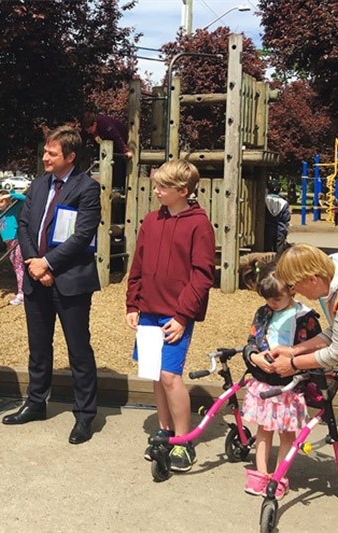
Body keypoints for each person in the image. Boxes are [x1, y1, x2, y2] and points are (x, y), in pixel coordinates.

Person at [2, 125, 101, 445]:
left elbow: (82, 235)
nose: (45, 157)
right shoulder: (38, 184)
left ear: (70, 157)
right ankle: (35, 402)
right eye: (45, 151)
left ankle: (85, 414)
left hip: (70, 280)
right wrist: (34, 263)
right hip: (36, 278)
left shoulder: (87, 188)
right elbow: (24, 225)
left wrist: (50, 264)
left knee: (78, 349)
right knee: (38, 347)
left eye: (52, 153)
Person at [270, 244, 338, 528]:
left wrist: (293, 365)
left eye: (296, 286)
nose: (297, 293)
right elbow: (335, 331)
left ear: (312, 279)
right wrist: (293, 350)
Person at [126, 159, 216, 471]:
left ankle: (184, 439)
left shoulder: (199, 224)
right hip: (147, 310)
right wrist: (132, 304)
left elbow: (202, 275)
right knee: (154, 373)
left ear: (182, 190)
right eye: (156, 184)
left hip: (175, 314)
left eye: (163, 186)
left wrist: (182, 315)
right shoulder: (151, 221)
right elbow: (137, 265)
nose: (156, 191)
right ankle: (165, 431)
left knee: (170, 375)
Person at [240, 262, 321, 498]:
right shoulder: (264, 312)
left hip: (290, 385)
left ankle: (279, 476)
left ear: (292, 290)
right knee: (263, 430)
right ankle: (261, 474)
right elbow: (251, 341)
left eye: (276, 299)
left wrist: (296, 363)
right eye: (267, 299)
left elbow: (315, 351)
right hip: (265, 380)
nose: (271, 304)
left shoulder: (305, 318)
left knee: (287, 433)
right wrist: (254, 357)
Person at [0, 189, 26, 305]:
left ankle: (22, 293)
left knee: (19, 266)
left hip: (17, 241)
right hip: (8, 245)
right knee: (17, 267)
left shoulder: (12, 210)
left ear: (8, 202)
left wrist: (9, 195)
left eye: (2, 201)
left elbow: (22, 199)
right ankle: (23, 291)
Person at [81, 112, 133, 190]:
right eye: (87, 130)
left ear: (94, 124)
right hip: (105, 144)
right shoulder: (88, 130)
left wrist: (125, 150)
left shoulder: (104, 123)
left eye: (90, 129)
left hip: (119, 138)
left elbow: (117, 137)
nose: (89, 132)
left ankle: (118, 185)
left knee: (118, 162)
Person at [264, 178, 291, 254]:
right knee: (279, 250)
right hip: (280, 229)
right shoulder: (284, 203)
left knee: (268, 250)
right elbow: (286, 218)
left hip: (267, 228)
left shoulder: (265, 199)